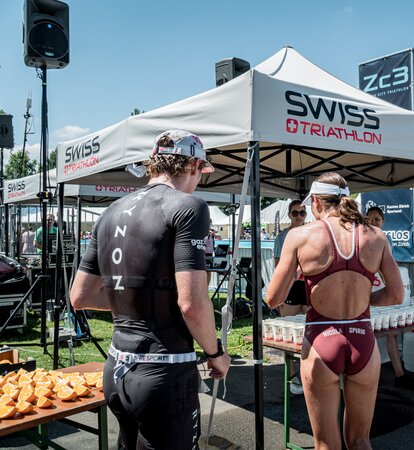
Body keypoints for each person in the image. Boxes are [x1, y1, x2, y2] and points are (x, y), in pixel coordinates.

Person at [70, 129, 230, 450]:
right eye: (201, 172)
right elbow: (192, 303)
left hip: (116, 371)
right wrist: (216, 354)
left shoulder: (110, 211)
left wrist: (138, 303)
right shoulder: (189, 207)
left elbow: (81, 297)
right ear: (194, 166)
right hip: (163, 373)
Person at [267, 172, 404, 450]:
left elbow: (273, 299)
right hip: (362, 339)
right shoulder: (376, 236)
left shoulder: (300, 236)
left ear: (316, 201)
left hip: (321, 338)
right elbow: (396, 294)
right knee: (360, 441)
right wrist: (363, 300)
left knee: (326, 444)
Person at [366, 206, 413, 389]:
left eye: (377, 219)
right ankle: (368, 378)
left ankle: (399, 374)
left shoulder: (386, 240)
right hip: (368, 292)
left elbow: (389, 267)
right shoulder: (361, 238)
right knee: (369, 333)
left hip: (383, 291)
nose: (373, 222)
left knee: (391, 332)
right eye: (369, 218)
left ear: (383, 222)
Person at [273, 199, 308, 394]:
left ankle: (306, 374)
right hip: (290, 288)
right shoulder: (282, 237)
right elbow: (278, 266)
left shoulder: (311, 233)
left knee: (309, 332)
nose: (299, 216)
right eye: (295, 213)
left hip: (308, 288)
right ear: (289, 215)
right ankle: (292, 376)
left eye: (302, 213)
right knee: (290, 333)